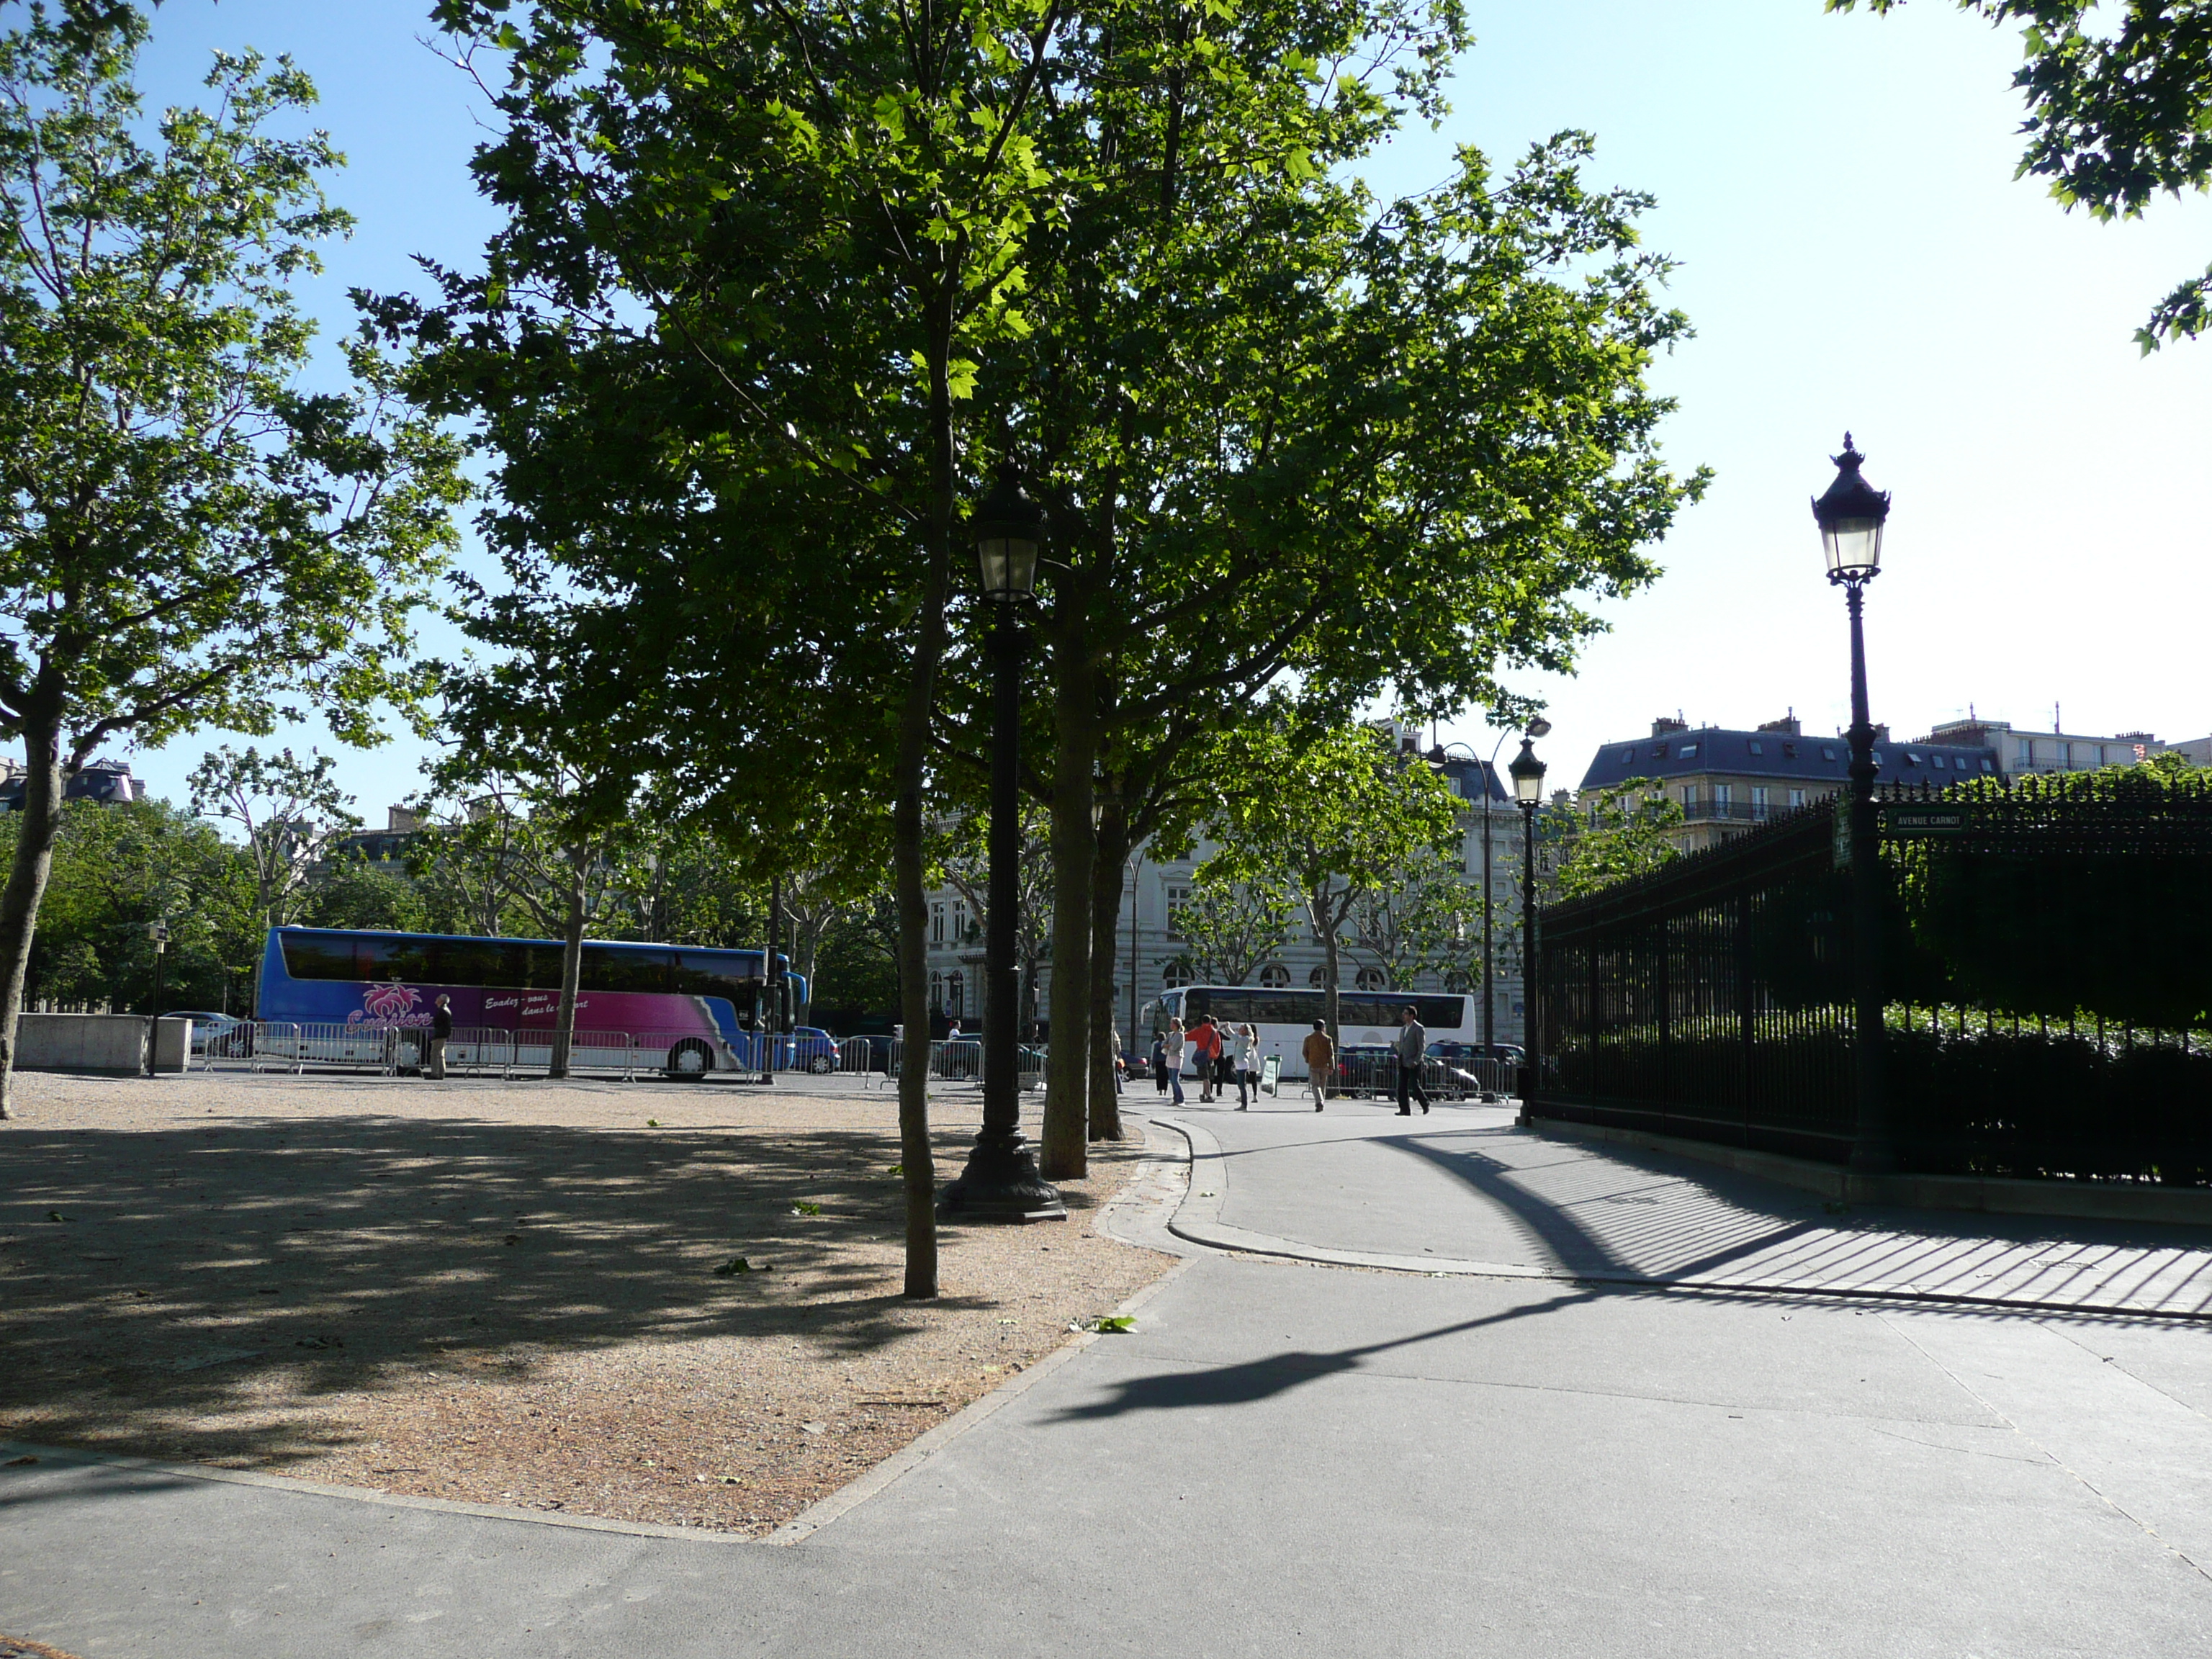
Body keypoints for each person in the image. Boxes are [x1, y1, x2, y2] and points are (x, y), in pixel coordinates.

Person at [1395, 1004, 1431, 1116]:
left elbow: (1421, 1047)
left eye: (1406, 1014)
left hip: (1413, 1062)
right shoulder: (1403, 1029)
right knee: (1401, 1086)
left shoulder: (1418, 1028)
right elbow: (1402, 1044)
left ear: (1412, 1016)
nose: (1403, 1016)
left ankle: (1425, 1103)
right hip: (1403, 1061)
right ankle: (1404, 1109)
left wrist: (1416, 1060)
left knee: (1414, 1085)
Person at [1301, 1020, 1334, 1112]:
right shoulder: (1328, 1039)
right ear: (1322, 1028)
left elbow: (1304, 1052)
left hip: (1314, 1064)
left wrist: (1308, 1060)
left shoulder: (1308, 1038)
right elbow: (1331, 1054)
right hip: (1325, 1065)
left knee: (1315, 1085)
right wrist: (1332, 1066)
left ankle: (1319, 1102)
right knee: (1322, 1085)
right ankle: (1321, 1102)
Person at [1191, 1015, 1220, 1102]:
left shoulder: (1199, 1030)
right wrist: (1215, 1055)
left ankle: (1208, 1096)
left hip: (1202, 1056)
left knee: (1205, 1077)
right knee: (1207, 1077)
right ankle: (1203, 1094)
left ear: (1202, 1021)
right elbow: (1218, 1046)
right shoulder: (1215, 1032)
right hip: (1210, 1057)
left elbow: (1188, 1037)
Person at [426, 994, 453, 1081]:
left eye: (438, 998)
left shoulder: (442, 1011)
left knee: (435, 1054)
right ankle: (441, 1073)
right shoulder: (446, 1010)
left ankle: (435, 1074)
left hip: (440, 1035)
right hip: (443, 1034)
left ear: (441, 1000)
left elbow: (438, 1023)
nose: (436, 1000)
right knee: (441, 1055)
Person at [1233, 1022, 1259, 1109]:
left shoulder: (1246, 1039)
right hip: (1246, 1061)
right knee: (1243, 1083)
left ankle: (1244, 1104)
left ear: (1245, 1031)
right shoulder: (1246, 1038)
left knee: (1242, 1084)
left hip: (1246, 1062)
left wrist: (1228, 1028)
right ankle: (1246, 1101)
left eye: (1241, 1029)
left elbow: (1234, 1036)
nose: (1239, 1030)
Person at [1164, 1018, 1187, 1105]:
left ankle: (1180, 1099)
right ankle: (1175, 1098)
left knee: (1175, 1079)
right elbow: (1163, 1044)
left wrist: (1168, 1046)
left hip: (1177, 1057)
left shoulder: (1180, 1035)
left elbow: (1174, 1047)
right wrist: (1168, 1045)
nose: (1171, 1025)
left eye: (1172, 1023)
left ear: (1177, 1025)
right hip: (1170, 1057)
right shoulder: (1170, 1034)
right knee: (1171, 1080)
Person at [1151, 1030, 1169, 1094]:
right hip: (1166, 1062)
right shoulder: (1166, 1044)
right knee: (1165, 1077)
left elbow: (1155, 1054)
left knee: (1159, 1077)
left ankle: (1160, 1091)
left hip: (1159, 1062)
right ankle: (1165, 1091)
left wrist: (1153, 1063)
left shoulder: (1157, 1045)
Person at [1110, 1024, 1125, 1094]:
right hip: (1114, 1057)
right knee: (1116, 1074)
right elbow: (1119, 1050)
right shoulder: (1116, 1037)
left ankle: (1118, 1089)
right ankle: (1119, 1089)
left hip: (1111, 1057)